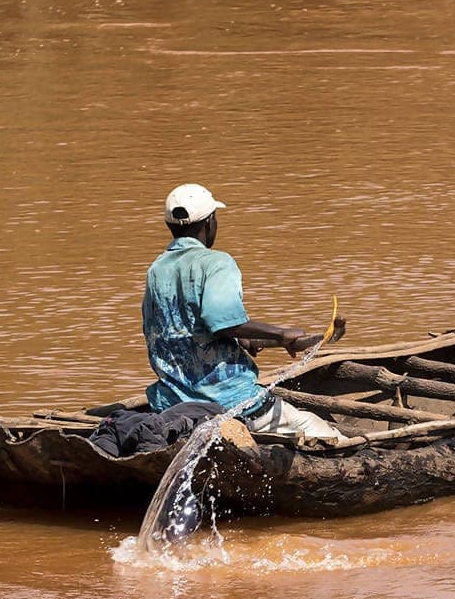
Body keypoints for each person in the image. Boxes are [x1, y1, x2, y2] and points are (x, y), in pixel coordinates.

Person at [142, 183, 345, 439]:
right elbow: (221, 322)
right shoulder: (216, 262)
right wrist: (281, 334)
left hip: (172, 402)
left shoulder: (156, 270)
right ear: (209, 222)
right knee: (320, 432)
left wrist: (247, 338)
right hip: (229, 401)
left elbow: (185, 328)